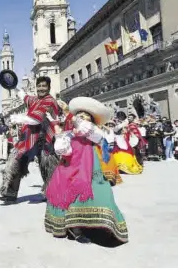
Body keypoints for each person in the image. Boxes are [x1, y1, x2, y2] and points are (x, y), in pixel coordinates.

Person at [45, 97, 128, 246]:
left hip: (90, 166)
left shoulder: (94, 131)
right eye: (79, 115)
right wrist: (57, 129)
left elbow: (90, 131)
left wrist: (69, 114)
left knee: (101, 192)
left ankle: (101, 222)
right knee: (69, 195)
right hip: (69, 167)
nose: (80, 118)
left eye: (85, 117)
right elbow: (62, 150)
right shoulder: (70, 133)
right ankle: (75, 228)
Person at [0, 77, 59, 203]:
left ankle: (51, 192)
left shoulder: (50, 101)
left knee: (48, 165)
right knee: (16, 160)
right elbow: (24, 96)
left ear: (48, 87)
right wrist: (12, 84)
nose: (41, 88)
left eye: (44, 86)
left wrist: (19, 118)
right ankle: (9, 191)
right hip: (29, 137)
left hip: (45, 137)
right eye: (39, 86)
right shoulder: (34, 99)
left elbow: (38, 118)